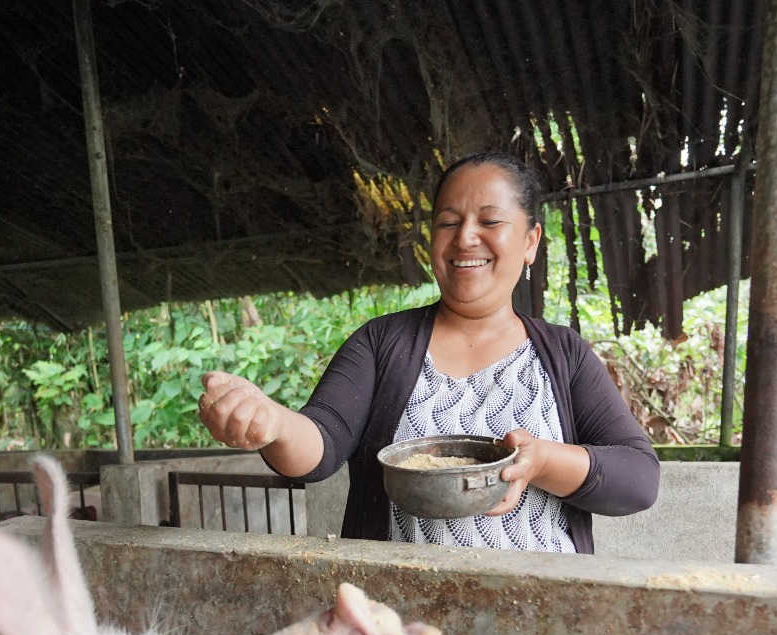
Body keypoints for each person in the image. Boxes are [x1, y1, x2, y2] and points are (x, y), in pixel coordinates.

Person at [196, 150, 659, 553]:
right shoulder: (381, 343)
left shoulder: (564, 354)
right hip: (400, 620)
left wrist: (540, 462)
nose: (464, 238)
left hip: (540, 614)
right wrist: (273, 423)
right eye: (448, 223)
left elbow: (638, 479)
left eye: (490, 221)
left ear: (530, 241)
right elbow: (322, 444)